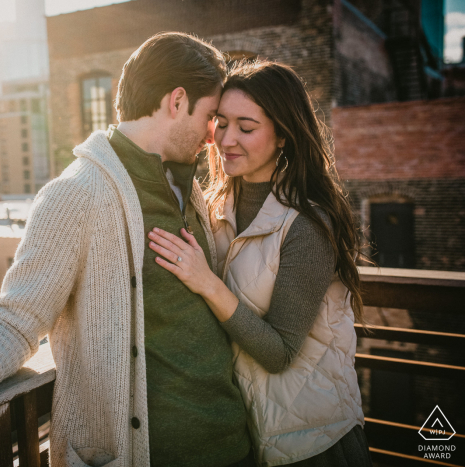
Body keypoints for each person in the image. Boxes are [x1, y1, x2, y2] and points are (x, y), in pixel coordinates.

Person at [0, 32, 255, 467]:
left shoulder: (185, 185)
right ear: (177, 101)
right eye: (210, 116)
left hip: (233, 446)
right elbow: (16, 316)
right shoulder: (77, 195)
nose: (213, 137)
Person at [147, 59, 372, 467]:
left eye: (246, 128)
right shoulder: (215, 207)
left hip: (313, 445)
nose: (227, 139)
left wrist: (208, 284)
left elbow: (280, 352)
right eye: (220, 122)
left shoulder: (307, 224)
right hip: (248, 439)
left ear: (283, 135)